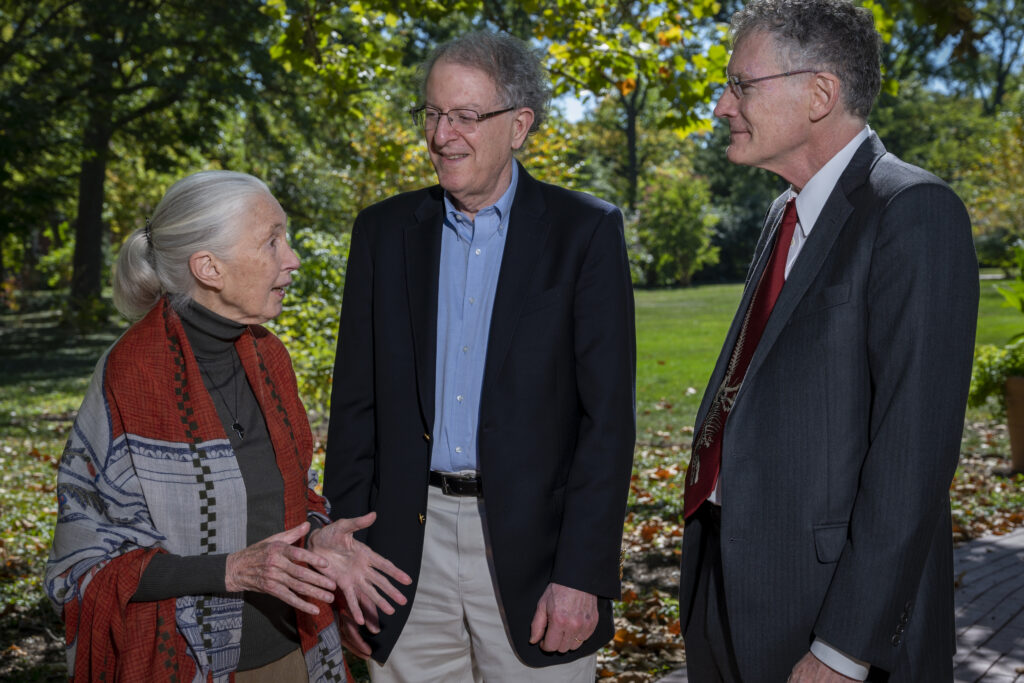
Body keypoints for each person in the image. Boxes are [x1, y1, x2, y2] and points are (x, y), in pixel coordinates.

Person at [678, 1, 980, 681]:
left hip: (827, 623)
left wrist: (844, 649)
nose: (723, 106)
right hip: (729, 592)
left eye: (740, 84)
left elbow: (914, 456)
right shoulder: (783, 213)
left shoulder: (913, 213)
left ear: (819, 94)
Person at [323, 30, 636, 682]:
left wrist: (581, 572)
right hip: (403, 557)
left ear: (519, 125)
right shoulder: (382, 234)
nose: (442, 135)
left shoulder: (585, 233)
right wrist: (342, 553)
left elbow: (606, 424)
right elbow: (355, 407)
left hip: (539, 558)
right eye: (433, 113)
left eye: (465, 116)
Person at [46, 170, 411, 682]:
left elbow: (287, 502)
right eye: (272, 241)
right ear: (209, 267)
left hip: (296, 650)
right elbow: (85, 559)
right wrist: (230, 570)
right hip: (183, 661)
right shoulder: (131, 376)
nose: (292, 259)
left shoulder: (268, 357)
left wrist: (319, 538)